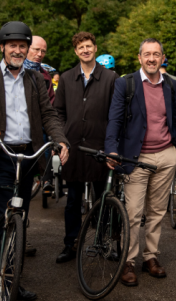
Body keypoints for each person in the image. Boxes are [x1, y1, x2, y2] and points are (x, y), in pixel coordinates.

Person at [0, 21, 70, 301]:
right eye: (12, 46)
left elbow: (48, 115)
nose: (18, 51)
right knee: (1, 220)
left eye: (22, 46)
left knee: (20, 219)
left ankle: (12, 278)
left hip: (26, 157)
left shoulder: (35, 80)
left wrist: (60, 139)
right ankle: (2, 283)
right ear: (2, 48)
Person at [105, 38, 176, 286]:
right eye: (147, 54)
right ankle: (127, 261)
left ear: (162, 58)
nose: (151, 58)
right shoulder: (125, 83)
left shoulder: (171, 84)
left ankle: (151, 257)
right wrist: (111, 149)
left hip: (166, 154)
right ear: (139, 58)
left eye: (156, 54)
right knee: (133, 212)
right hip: (135, 157)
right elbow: (114, 119)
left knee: (157, 211)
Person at [54, 32, 118, 264]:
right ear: (76, 51)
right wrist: (61, 137)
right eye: (81, 47)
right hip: (73, 147)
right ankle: (70, 243)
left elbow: (116, 114)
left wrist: (113, 146)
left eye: (89, 46)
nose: (85, 50)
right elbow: (58, 111)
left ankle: (103, 242)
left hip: (100, 147)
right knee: (72, 199)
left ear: (95, 48)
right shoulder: (67, 78)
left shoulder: (111, 78)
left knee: (103, 198)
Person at [23, 35, 56, 256]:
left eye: (43, 51)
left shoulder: (45, 77)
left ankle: (18, 236)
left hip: (32, 139)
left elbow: (51, 110)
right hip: (6, 140)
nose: (39, 54)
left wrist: (56, 137)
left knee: (22, 195)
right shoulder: (5, 71)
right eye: (36, 49)